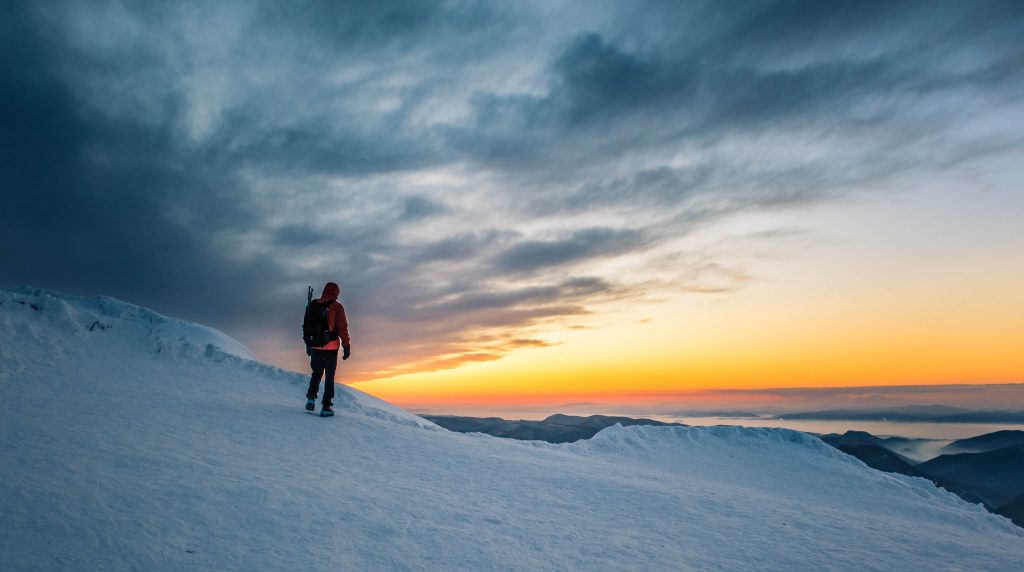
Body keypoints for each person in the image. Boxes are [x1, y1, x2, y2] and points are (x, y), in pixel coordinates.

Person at [305, 282, 351, 417]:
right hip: (331, 347)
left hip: (314, 346)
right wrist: (346, 346)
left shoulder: (312, 305)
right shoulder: (337, 307)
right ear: (336, 293)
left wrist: (308, 344)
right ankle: (326, 406)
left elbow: (306, 326)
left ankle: (311, 398)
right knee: (329, 377)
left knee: (316, 373)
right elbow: (342, 328)